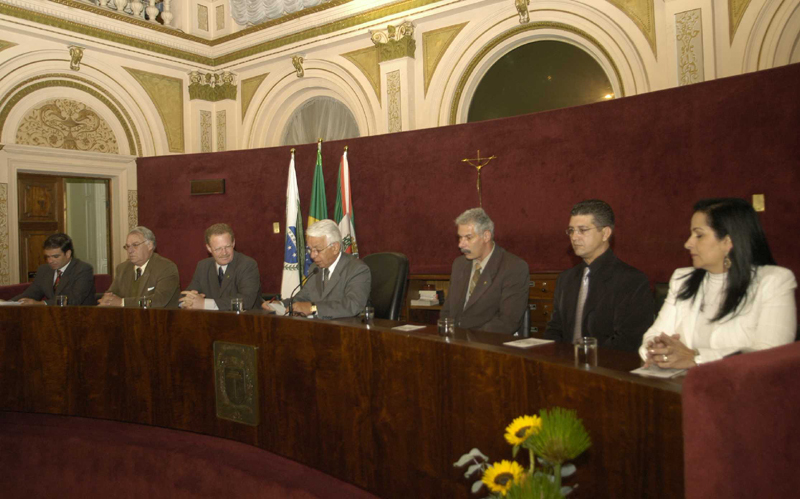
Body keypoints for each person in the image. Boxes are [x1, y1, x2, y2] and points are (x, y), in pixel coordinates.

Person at [640, 198, 797, 368]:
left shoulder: (773, 281)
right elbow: (654, 335)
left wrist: (696, 358)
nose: (688, 244)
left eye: (699, 235)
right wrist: (658, 348)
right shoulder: (682, 279)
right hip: (683, 388)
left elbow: (772, 356)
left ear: (728, 242)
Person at [546, 200, 654, 351]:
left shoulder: (631, 280)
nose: (574, 237)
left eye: (582, 230)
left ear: (605, 233)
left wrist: (586, 359)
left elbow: (629, 340)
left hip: (607, 368)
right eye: (571, 230)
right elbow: (555, 330)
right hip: (565, 366)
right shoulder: (565, 279)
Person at [440, 208, 529, 334]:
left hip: (488, 345)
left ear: (486, 236)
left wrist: (468, 340)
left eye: (468, 238)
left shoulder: (513, 267)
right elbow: (447, 312)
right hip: (456, 342)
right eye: (460, 238)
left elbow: (508, 322)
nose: (460, 245)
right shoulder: (459, 264)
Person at [262, 219, 370, 319]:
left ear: (335, 247)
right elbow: (303, 297)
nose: (312, 255)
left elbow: (352, 305)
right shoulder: (315, 268)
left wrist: (313, 308)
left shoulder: (357, 269)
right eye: (310, 250)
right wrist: (280, 304)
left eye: (318, 250)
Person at [180, 223, 263, 311]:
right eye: (218, 249)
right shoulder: (203, 266)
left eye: (227, 246)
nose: (224, 253)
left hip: (242, 321)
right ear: (209, 248)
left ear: (233, 243)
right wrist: (188, 301)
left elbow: (246, 301)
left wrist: (205, 304)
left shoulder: (247, 264)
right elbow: (186, 294)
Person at [99, 226, 180, 308]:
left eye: (135, 245)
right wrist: (106, 300)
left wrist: (123, 303)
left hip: (159, 319)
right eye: (127, 246)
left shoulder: (166, 268)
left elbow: (158, 301)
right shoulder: (122, 268)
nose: (130, 250)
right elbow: (111, 295)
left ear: (149, 246)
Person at [8, 233, 95, 306]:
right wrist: (8, 303)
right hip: (52, 317)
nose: (50, 261)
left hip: (79, 317)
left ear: (68, 254)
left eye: (55, 256)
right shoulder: (44, 270)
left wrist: (41, 304)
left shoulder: (83, 269)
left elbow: (73, 300)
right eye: (47, 257)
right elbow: (31, 294)